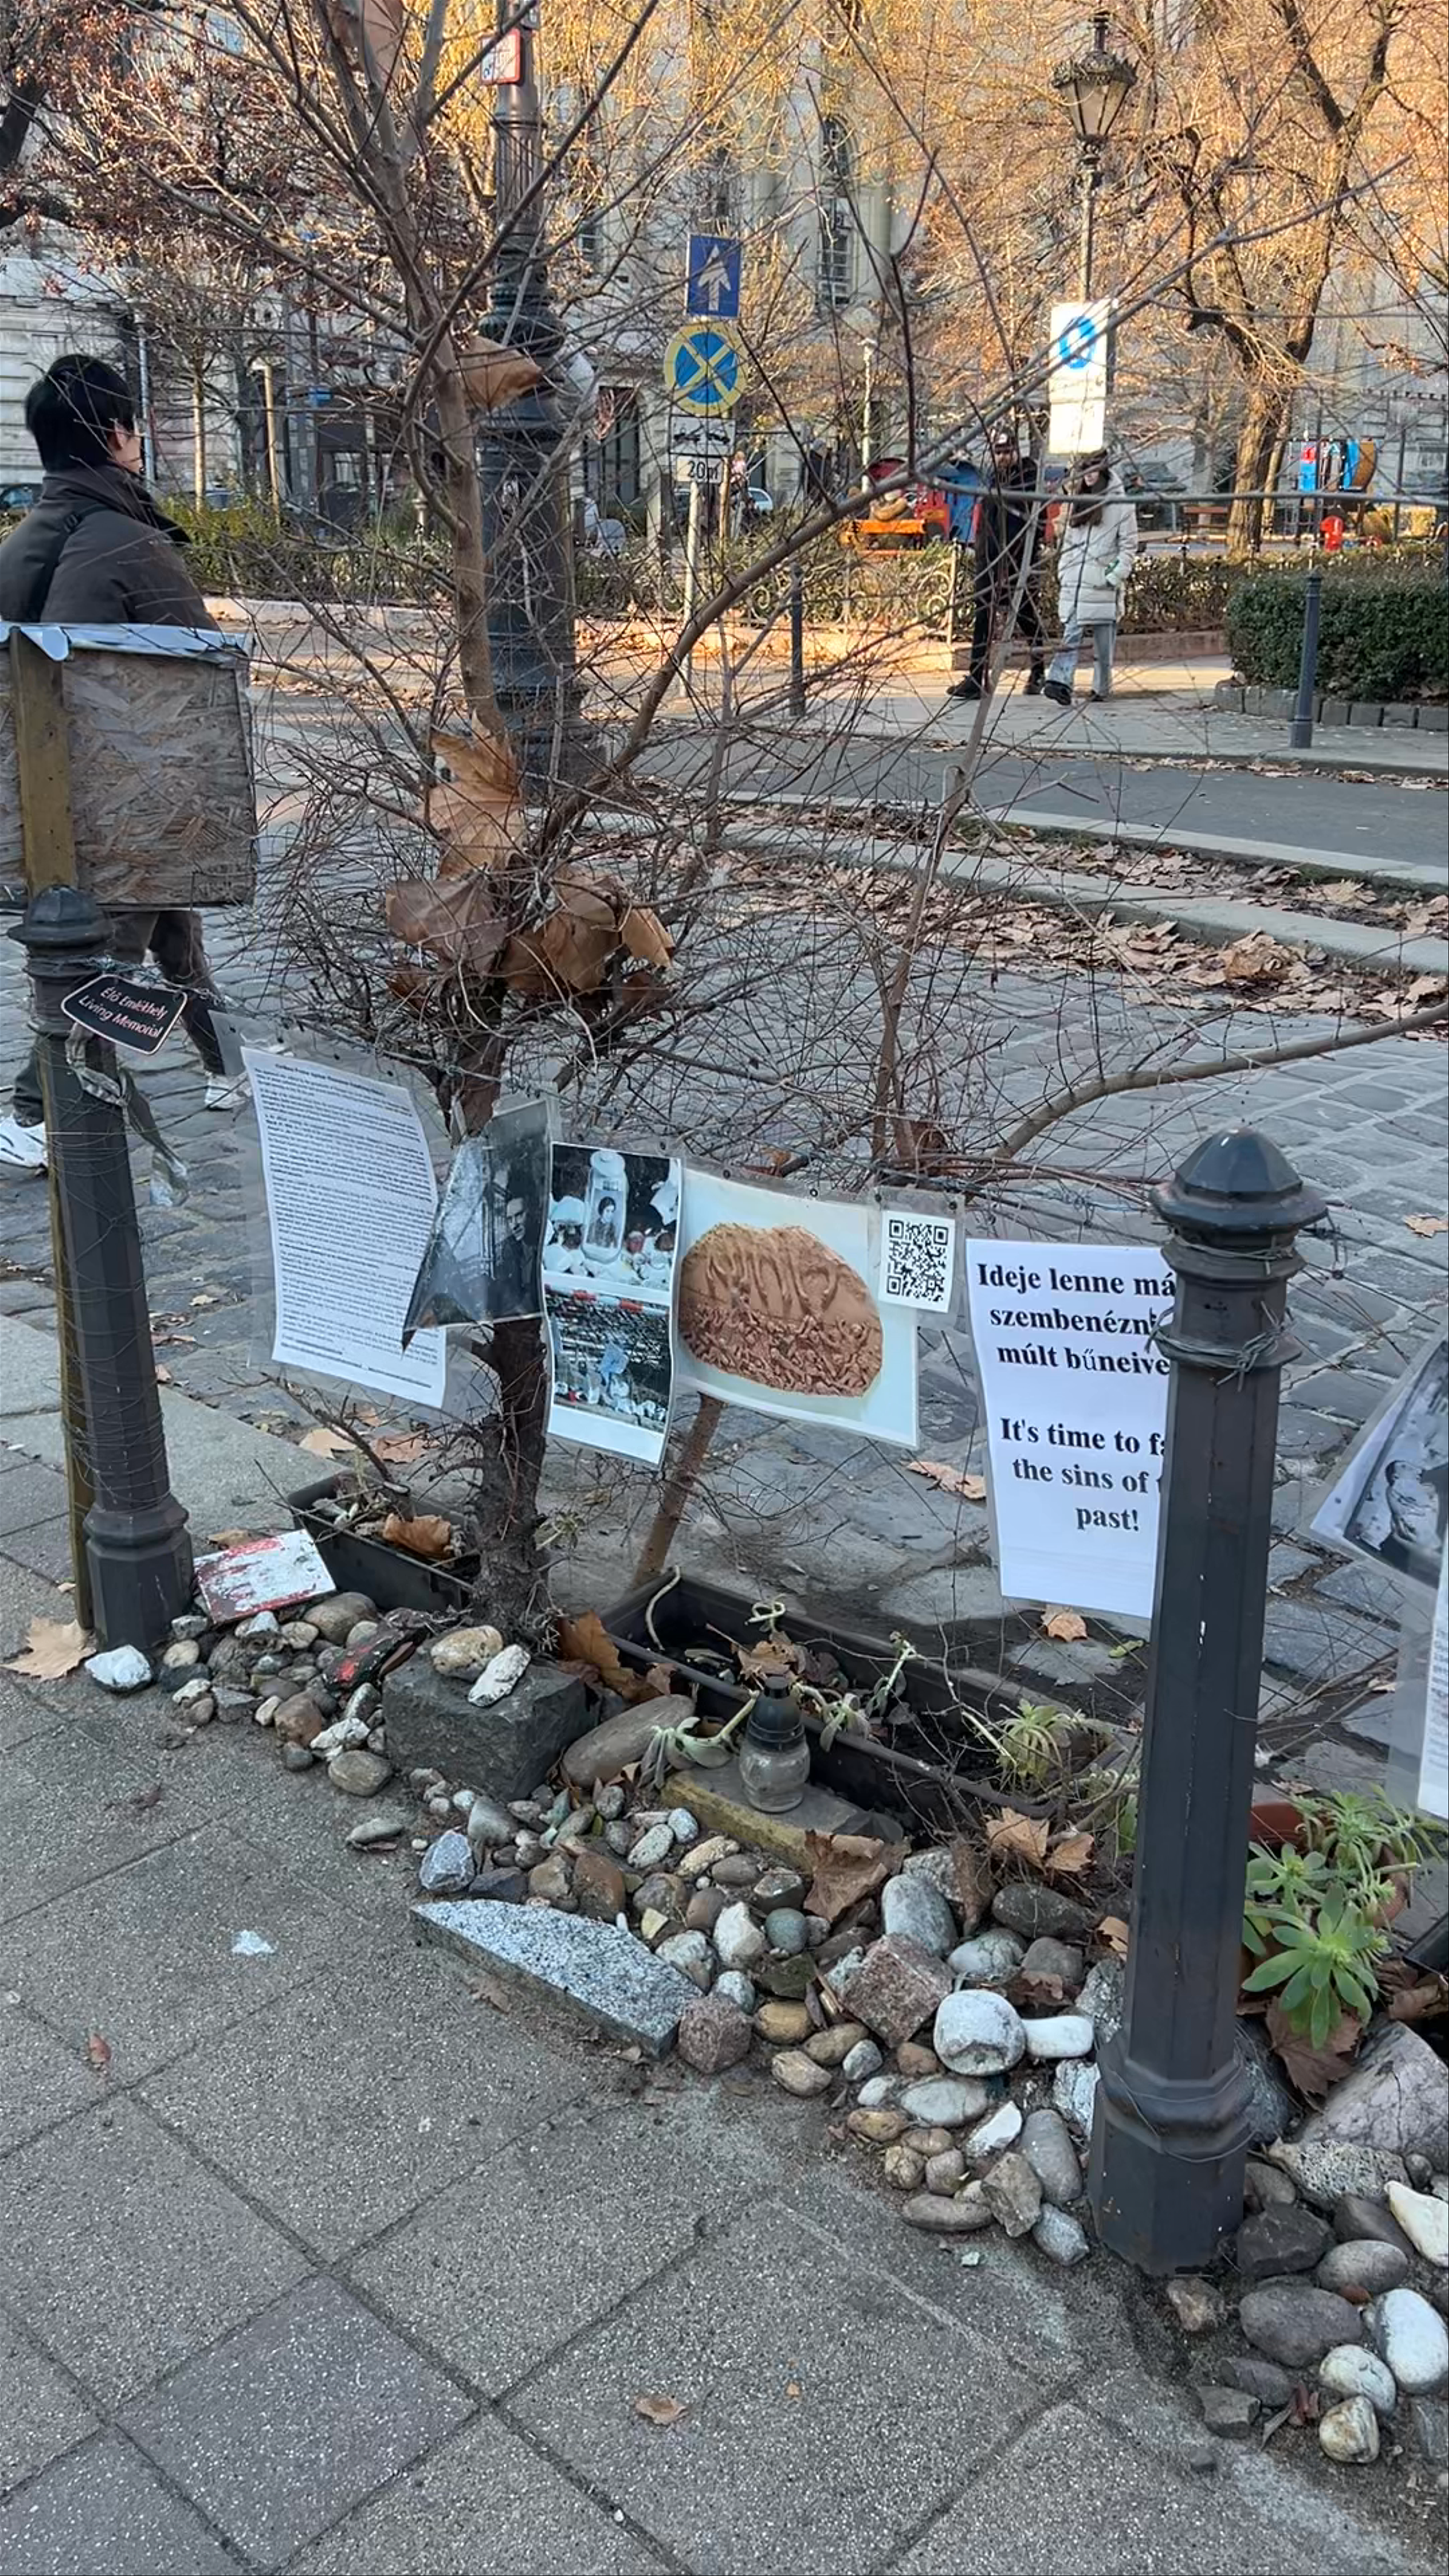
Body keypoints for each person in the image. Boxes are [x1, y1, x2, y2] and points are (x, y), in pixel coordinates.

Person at [0, 354, 246, 1174]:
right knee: (113, 961)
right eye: (133, 422)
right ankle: (36, 1112)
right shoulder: (130, 540)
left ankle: (226, 1067)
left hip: (48, 801)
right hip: (128, 798)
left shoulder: (21, 541)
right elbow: (195, 669)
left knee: (175, 934)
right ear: (116, 434)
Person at [946, 421, 1046, 704]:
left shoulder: (1028, 479)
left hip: (1015, 563)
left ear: (1016, 450)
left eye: (1007, 451)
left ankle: (1038, 668)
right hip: (988, 562)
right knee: (983, 619)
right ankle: (977, 677)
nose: (1003, 457)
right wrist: (979, 553)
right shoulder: (993, 479)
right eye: (998, 451)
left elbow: (1035, 525)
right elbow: (985, 522)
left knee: (1026, 617)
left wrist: (1016, 557)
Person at [1041, 448, 1138, 710]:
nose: (1089, 476)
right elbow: (1069, 542)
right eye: (1085, 471)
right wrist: (1065, 570)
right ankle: (1060, 681)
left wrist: (1114, 576)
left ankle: (1101, 687)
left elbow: (1129, 546)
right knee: (1071, 631)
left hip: (1103, 583)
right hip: (1076, 580)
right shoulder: (1079, 501)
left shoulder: (1121, 505)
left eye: (1094, 470)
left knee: (1104, 643)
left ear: (1104, 470)